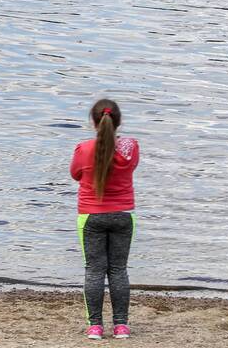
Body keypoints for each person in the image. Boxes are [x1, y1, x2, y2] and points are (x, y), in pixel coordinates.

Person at [70, 99, 140, 340]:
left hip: (91, 215)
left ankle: (95, 327)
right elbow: (130, 167)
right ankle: (121, 326)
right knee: (118, 270)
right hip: (123, 215)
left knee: (94, 271)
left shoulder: (83, 148)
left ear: (93, 122)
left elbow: (75, 174)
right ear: (118, 121)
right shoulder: (131, 147)